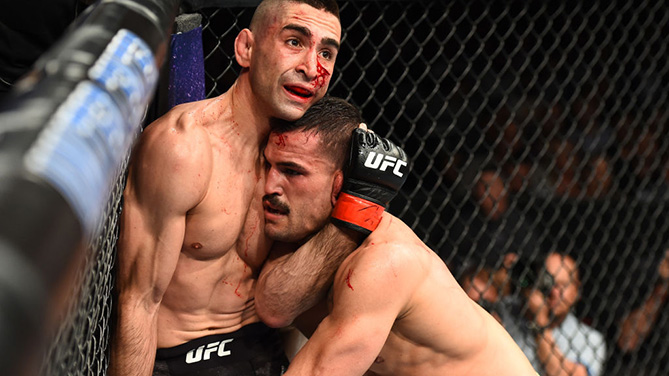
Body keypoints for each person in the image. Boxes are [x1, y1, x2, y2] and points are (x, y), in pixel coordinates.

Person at [109, 1, 358, 375]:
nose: (313, 69)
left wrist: (365, 199)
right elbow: (139, 303)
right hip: (182, 360)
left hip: (265, 352)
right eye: (294, 42)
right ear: (246, 49)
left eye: (326, 52)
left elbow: (298, 297)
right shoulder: (184, 147)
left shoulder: (312, 166)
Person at [257, 96, 537, 375]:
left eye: (292, 172)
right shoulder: (299, 234)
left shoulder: (386, 262)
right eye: (267, 166)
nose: (269, 185)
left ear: (340, 185)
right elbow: (275, 304)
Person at [497, 252, 607, 376]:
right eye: (548, 281)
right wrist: (500, 281)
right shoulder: (505, 310)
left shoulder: (590, 339)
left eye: (563, 285)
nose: (554, 292)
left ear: (577, 291)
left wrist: (540, 322)